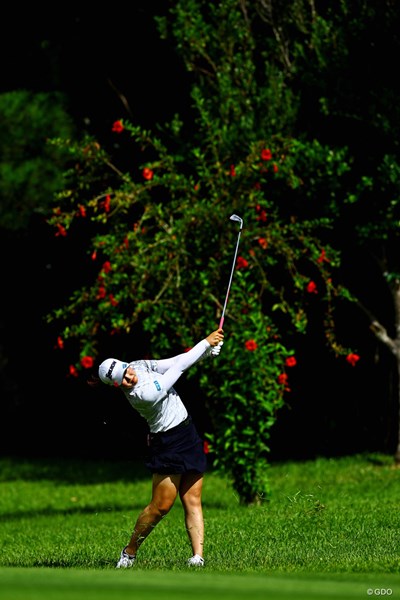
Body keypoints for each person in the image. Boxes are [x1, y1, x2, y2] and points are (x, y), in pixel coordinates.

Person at [97, 327, 224, 569]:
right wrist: (205, 343)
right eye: (123, 380)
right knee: (161, 506)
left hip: (187, 432)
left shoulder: (138, 365)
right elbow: (178, 370)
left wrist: (205, 353)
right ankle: (130, 551)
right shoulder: (141, 395)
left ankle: (198, 557)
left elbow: (172, 362)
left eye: (127, 371)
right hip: (168, 443)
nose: (129, 377)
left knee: (193, 498)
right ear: (117, 386)